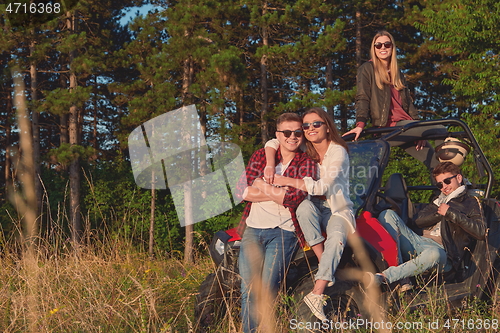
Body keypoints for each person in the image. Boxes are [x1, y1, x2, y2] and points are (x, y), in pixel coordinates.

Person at [257, 107, 355, 321]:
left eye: (316, 124)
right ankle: (324, 265)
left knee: (337, 236)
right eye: (306, 126)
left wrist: (286, 181)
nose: (310, 129)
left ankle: (317, 293)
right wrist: (270, 165)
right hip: (313, 206)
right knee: (302, 207)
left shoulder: (337, 151)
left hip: (335, 207)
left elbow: (322, 187)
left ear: (327, 126)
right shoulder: (305, 146)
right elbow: (273, 142)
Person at [236, 113, 318, 333]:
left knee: (268, 288)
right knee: (248, 290)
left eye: (298, 132)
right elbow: (241, 191)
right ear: (277, 135)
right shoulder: (262, 156)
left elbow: (294, 199)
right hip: (253, 229)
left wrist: (261, 186)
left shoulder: (307, 162)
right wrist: (278, 192)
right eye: (287, 132)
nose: (293, 137)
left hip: (284, 233)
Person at [368, 161, 486, 287]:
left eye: (447, 181)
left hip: (445, 254)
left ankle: (386, 276)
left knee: (434, 253)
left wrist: (451, 213)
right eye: (439, 185)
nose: (444, 187)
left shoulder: (470, 203)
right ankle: (402, 278)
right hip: (420, 243)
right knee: (387, 214)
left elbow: (481, 232)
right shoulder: (438, 201)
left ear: (458, 178)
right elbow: (417, 221)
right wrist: (439, 213)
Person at [343, 30, 447, 172]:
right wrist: (360, 123)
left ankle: (447, 184)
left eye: (387, 44)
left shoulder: (398, 73)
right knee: (439, 128)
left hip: (406, 127)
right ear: (373, 49)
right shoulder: (367, 69)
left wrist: (421, 132)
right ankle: (450, 166)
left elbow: (408, 104)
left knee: (435, 164)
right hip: (388, 128)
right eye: (378, 45)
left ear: (392, 47)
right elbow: (363, 97)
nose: (383, 48)